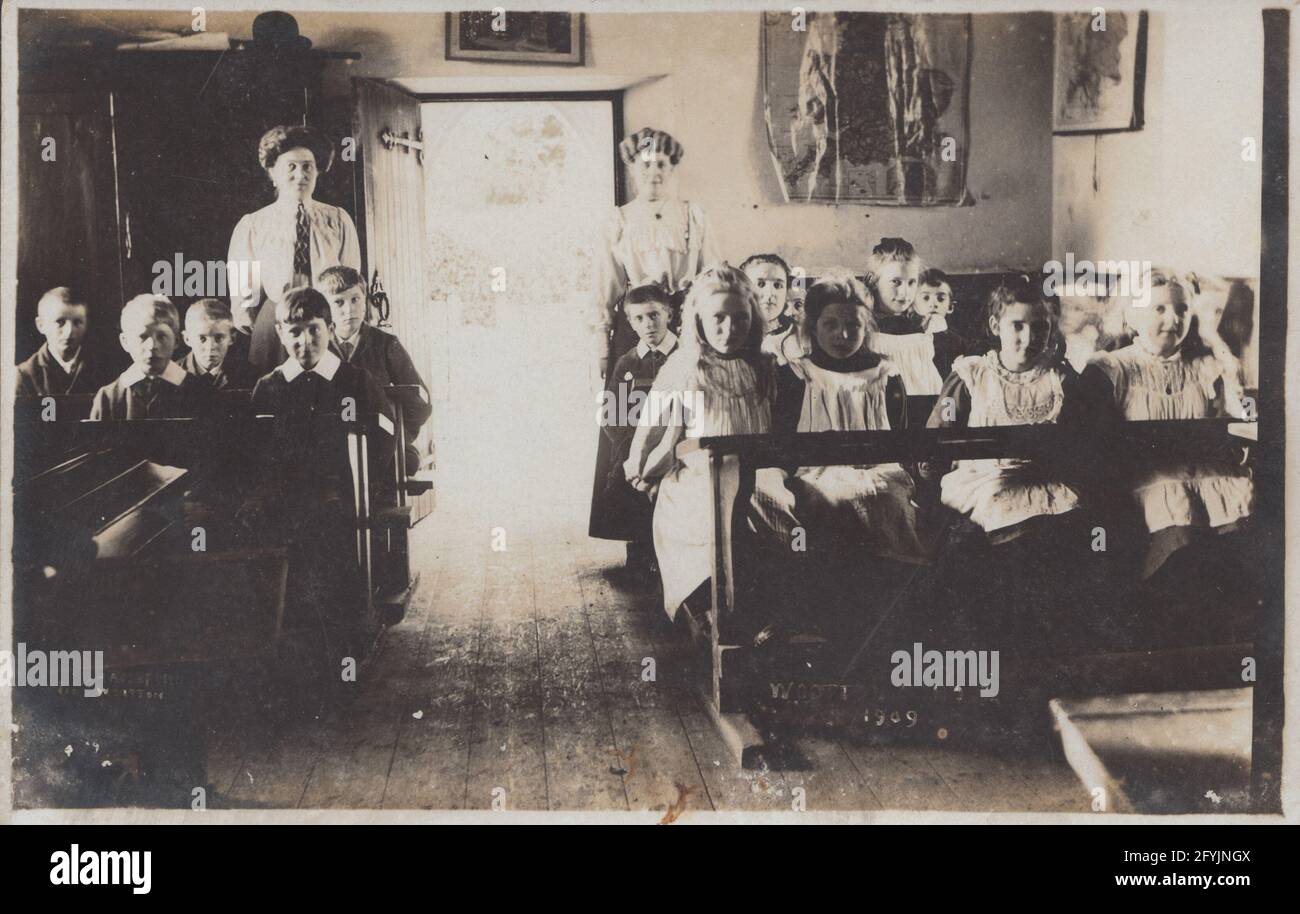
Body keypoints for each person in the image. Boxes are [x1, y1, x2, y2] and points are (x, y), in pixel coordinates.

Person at [1080, 270, 1255, 633]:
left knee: (1237, 550)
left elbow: (1244, 421)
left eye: (1182, 310)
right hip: (1147, 482)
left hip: (1210, 478)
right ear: (1132, 316)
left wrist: (1217, 346)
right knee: (1181, 550)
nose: (1173, 319)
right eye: (1159, 308)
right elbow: (1092, 444)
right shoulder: (1111, 368)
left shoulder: (1208, 367)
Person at [588, 127, 719, 544]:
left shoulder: (693, 215)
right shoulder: (620, 220)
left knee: (683, 422)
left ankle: (683, 536)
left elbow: (714, 275)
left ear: (672, 168)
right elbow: (603, 287)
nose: (654, 173)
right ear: (632, 170)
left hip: (686, 327)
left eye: (662, 165)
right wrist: (602, 343)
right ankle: (636, 540)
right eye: (645, 166)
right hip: (636, 327)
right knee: (631, 424)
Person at [623, 264, 774, 623]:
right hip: (699, 475)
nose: (729, 329)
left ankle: (764, 609)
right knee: (714, 513)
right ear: (698, 320)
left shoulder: (764, 365)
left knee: (774, 509)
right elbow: (651, 430)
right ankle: (719, 611)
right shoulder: (685, 366)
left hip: (758, 470)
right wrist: (642, 468)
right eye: (718, 318)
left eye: (740, 318)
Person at [762, 273, 927, 565]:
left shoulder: (885, 376)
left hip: (880, 472)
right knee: (829, 505)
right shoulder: (796, 376)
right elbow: (783, 442)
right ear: (813, 327)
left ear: (868, 328)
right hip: (815, 476)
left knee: (884, 501)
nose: (843, 335)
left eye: (854, 325)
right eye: (831, 325)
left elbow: (900, 440)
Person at [228, 125, 361, 372]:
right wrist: (251, 317)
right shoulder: (253, 225)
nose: (300, 175)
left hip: (326, 322)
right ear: (273, 173)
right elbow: (244, 289)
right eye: (291, 167)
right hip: (277, 321)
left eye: (307, 166)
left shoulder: (338, 219)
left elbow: (349, 279)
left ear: (318, 170)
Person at [594, 283, 679, 582]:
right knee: (627, 480)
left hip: (677, 443)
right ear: (629, 322)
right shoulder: (627, 363)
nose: (648, 325)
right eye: (639, 319)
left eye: (654, 315)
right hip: (637, 446)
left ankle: (672, 557)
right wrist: (632, 450)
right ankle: (640, 552)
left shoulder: (684, 357)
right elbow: (613, 417)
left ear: (669, 313)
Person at [317, 266, 431, 475]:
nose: (349, 310)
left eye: (355, 300)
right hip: (333, 445)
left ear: (365, 299)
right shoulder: (318, 349)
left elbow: (421, 402)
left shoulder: (386, 345)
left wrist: (398, 435)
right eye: (339, 302)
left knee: (404, 464)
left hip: (382, 443)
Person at [866, 238, 967, 396]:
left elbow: (948, 386)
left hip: (925, 408)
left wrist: (949, 416)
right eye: (896, 282)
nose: (905, 292)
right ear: (873, 281)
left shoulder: (928, 327)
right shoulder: (863, 328)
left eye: (911, 282)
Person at [89, 295, 209, 420]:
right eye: (142, 337)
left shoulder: (200, 393)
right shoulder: (109, 398)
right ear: (125, 342)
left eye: (161, 336)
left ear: (176, 341)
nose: (152, 346)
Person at [15, 287, 109, 397]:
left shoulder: (104, 370)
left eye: (77, 322)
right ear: (41, 325)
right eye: (60, 322)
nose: (69, 332)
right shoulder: (25, 376)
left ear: (86, 324)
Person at [179, 299, 261, 390]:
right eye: (202, 338)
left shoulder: (249, 376)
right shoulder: (170, 378)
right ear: (187, 339)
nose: (210, 347)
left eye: (219, 338)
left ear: (232, 338)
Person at [741, 253, 802, 365]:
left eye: (778, 285)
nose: (770, 294)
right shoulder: (735, 334)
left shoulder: (798, 335)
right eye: (760, 284)